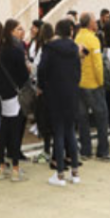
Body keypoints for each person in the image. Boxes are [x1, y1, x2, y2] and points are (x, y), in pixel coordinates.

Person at [39, 19, 82, 186]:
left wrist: (43, 86)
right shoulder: (74, 49)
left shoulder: (49, 48)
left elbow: (42, 69)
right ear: (70, 31)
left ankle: (60, 174)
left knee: (58, 131)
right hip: (71, 93)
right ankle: (75, 172)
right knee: (70, 131)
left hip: (54, 93)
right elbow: (78, 71)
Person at [0, 19, 30, 181]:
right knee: (14, 130)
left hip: (3, 94)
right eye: (19, 29)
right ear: (11, 31)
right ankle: (14, 167)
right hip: (15, 93)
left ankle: (0, 165)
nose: (22, 32)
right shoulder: (16, 49)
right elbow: (23, 75)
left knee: (4, 129)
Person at [75, 14, 110, 161]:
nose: (96, 22)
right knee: (102, 117)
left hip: (80, 83)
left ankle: (86, 150)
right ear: (90, 24)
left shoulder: (78, 38)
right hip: (93, 84)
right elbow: (97, 64)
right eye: (94, 20)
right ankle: (103, 151)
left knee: (82, 118)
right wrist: (101, 81)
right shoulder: (94, 40)